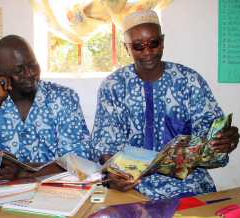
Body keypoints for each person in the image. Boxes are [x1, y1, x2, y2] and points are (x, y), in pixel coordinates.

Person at [91, 10, 239, 200]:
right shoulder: (113, 86)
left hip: (188, 185)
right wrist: (113, 176)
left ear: (162, 41)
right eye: (138, 46)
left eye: (154, 43)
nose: (147, 52)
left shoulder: (189, 81)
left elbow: (211, 137)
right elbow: (105, 144)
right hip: (132, 186)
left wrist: (224, 141)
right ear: (127, 48)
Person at [0, 35, 91, 179]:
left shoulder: (63, 98)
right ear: (0, 74)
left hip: (53, 193)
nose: (30, 73)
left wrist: (25, 172)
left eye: (33, 64)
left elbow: (81, 162)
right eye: (19, 70)